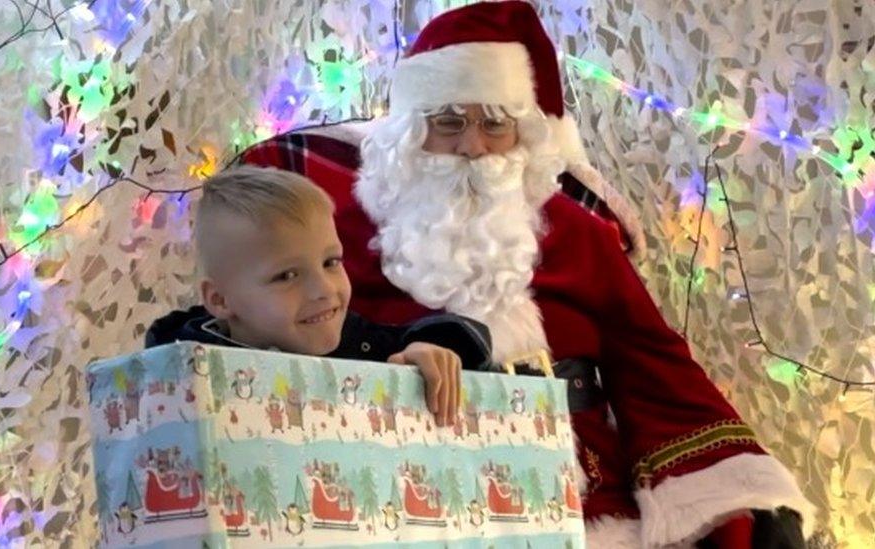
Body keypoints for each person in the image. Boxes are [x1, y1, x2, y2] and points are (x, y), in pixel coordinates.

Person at [239, 2, 812, 547]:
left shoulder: (575, 230)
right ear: (410, 131)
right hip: (406, 480)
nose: (472, 147)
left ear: (524, 133)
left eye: (495, 124)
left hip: (577, 487)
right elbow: (293, 339)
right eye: (448, 122)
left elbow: (652, 361)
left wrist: (747, 496)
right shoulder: (347, 229)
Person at [145, 165, 493, 426]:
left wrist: (424, 350)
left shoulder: (362, 345)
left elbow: (457, 340)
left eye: (331, 262)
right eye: (287, 275)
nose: (324, 289)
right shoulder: (178, 378)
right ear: (221, 301)